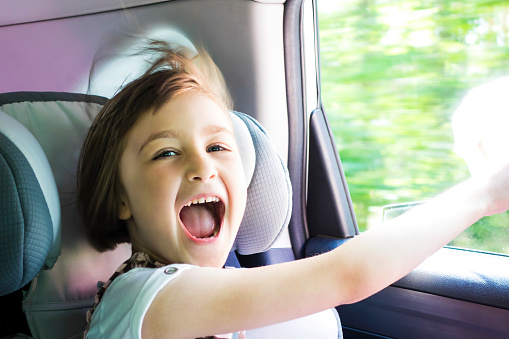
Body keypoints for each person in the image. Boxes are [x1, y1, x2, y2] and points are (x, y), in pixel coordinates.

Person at [78, 41, 509, 338]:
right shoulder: (142, 298)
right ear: (120, 198)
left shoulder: (220, 287)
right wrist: (485, 193)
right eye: (166, 153)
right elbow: (346, 275)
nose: (202, 166)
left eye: (217, 146)